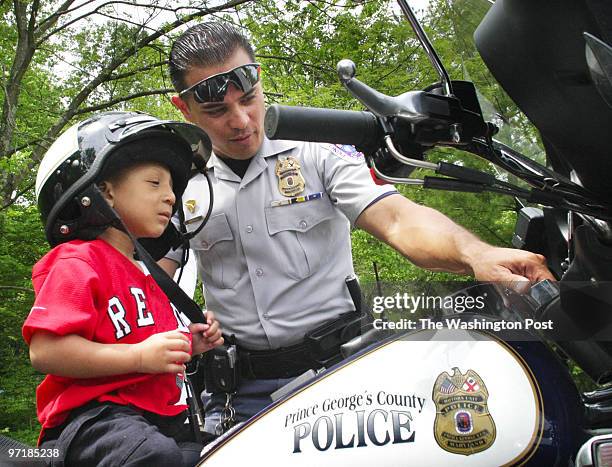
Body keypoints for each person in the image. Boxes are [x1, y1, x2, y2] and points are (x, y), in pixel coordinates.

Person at [162, 22, 554, 436]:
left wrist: (477, 254)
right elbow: (149, 284)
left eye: (249, 99)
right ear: (183, 108)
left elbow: (399, 219)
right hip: (239, 394)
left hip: (341, 375)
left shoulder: (316, 149)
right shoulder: (176, 181)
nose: (241, 120)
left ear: (261, 80)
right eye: (217, 111)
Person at [23, 111, 224, 466]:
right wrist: (140, 358)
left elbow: (144, 343)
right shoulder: (77, 261)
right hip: (94, 422)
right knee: (152, 456)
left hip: (159, 420)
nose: (171, 198)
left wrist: (189, 345)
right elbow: (46, 351)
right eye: (154, 183)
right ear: (106, 192)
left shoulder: (147, 275)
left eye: (172, 189)